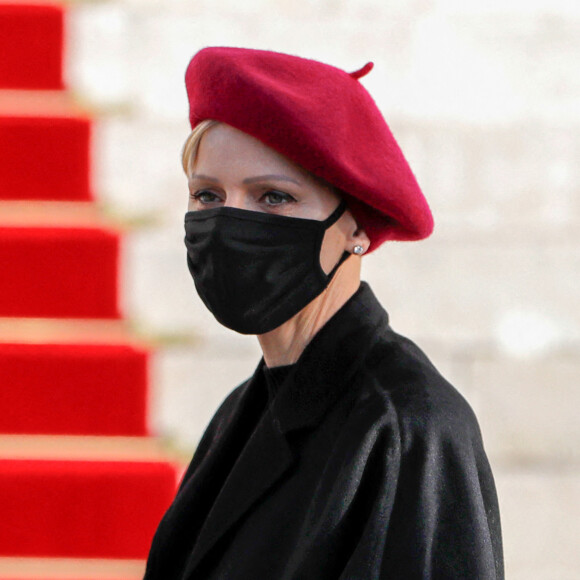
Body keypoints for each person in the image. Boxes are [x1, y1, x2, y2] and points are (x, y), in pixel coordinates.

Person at [144, 47, 503, 579]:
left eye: (273, 198)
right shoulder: (242, 411)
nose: (228, 223)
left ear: (357, 225)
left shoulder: (408, 426)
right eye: (208, 195)